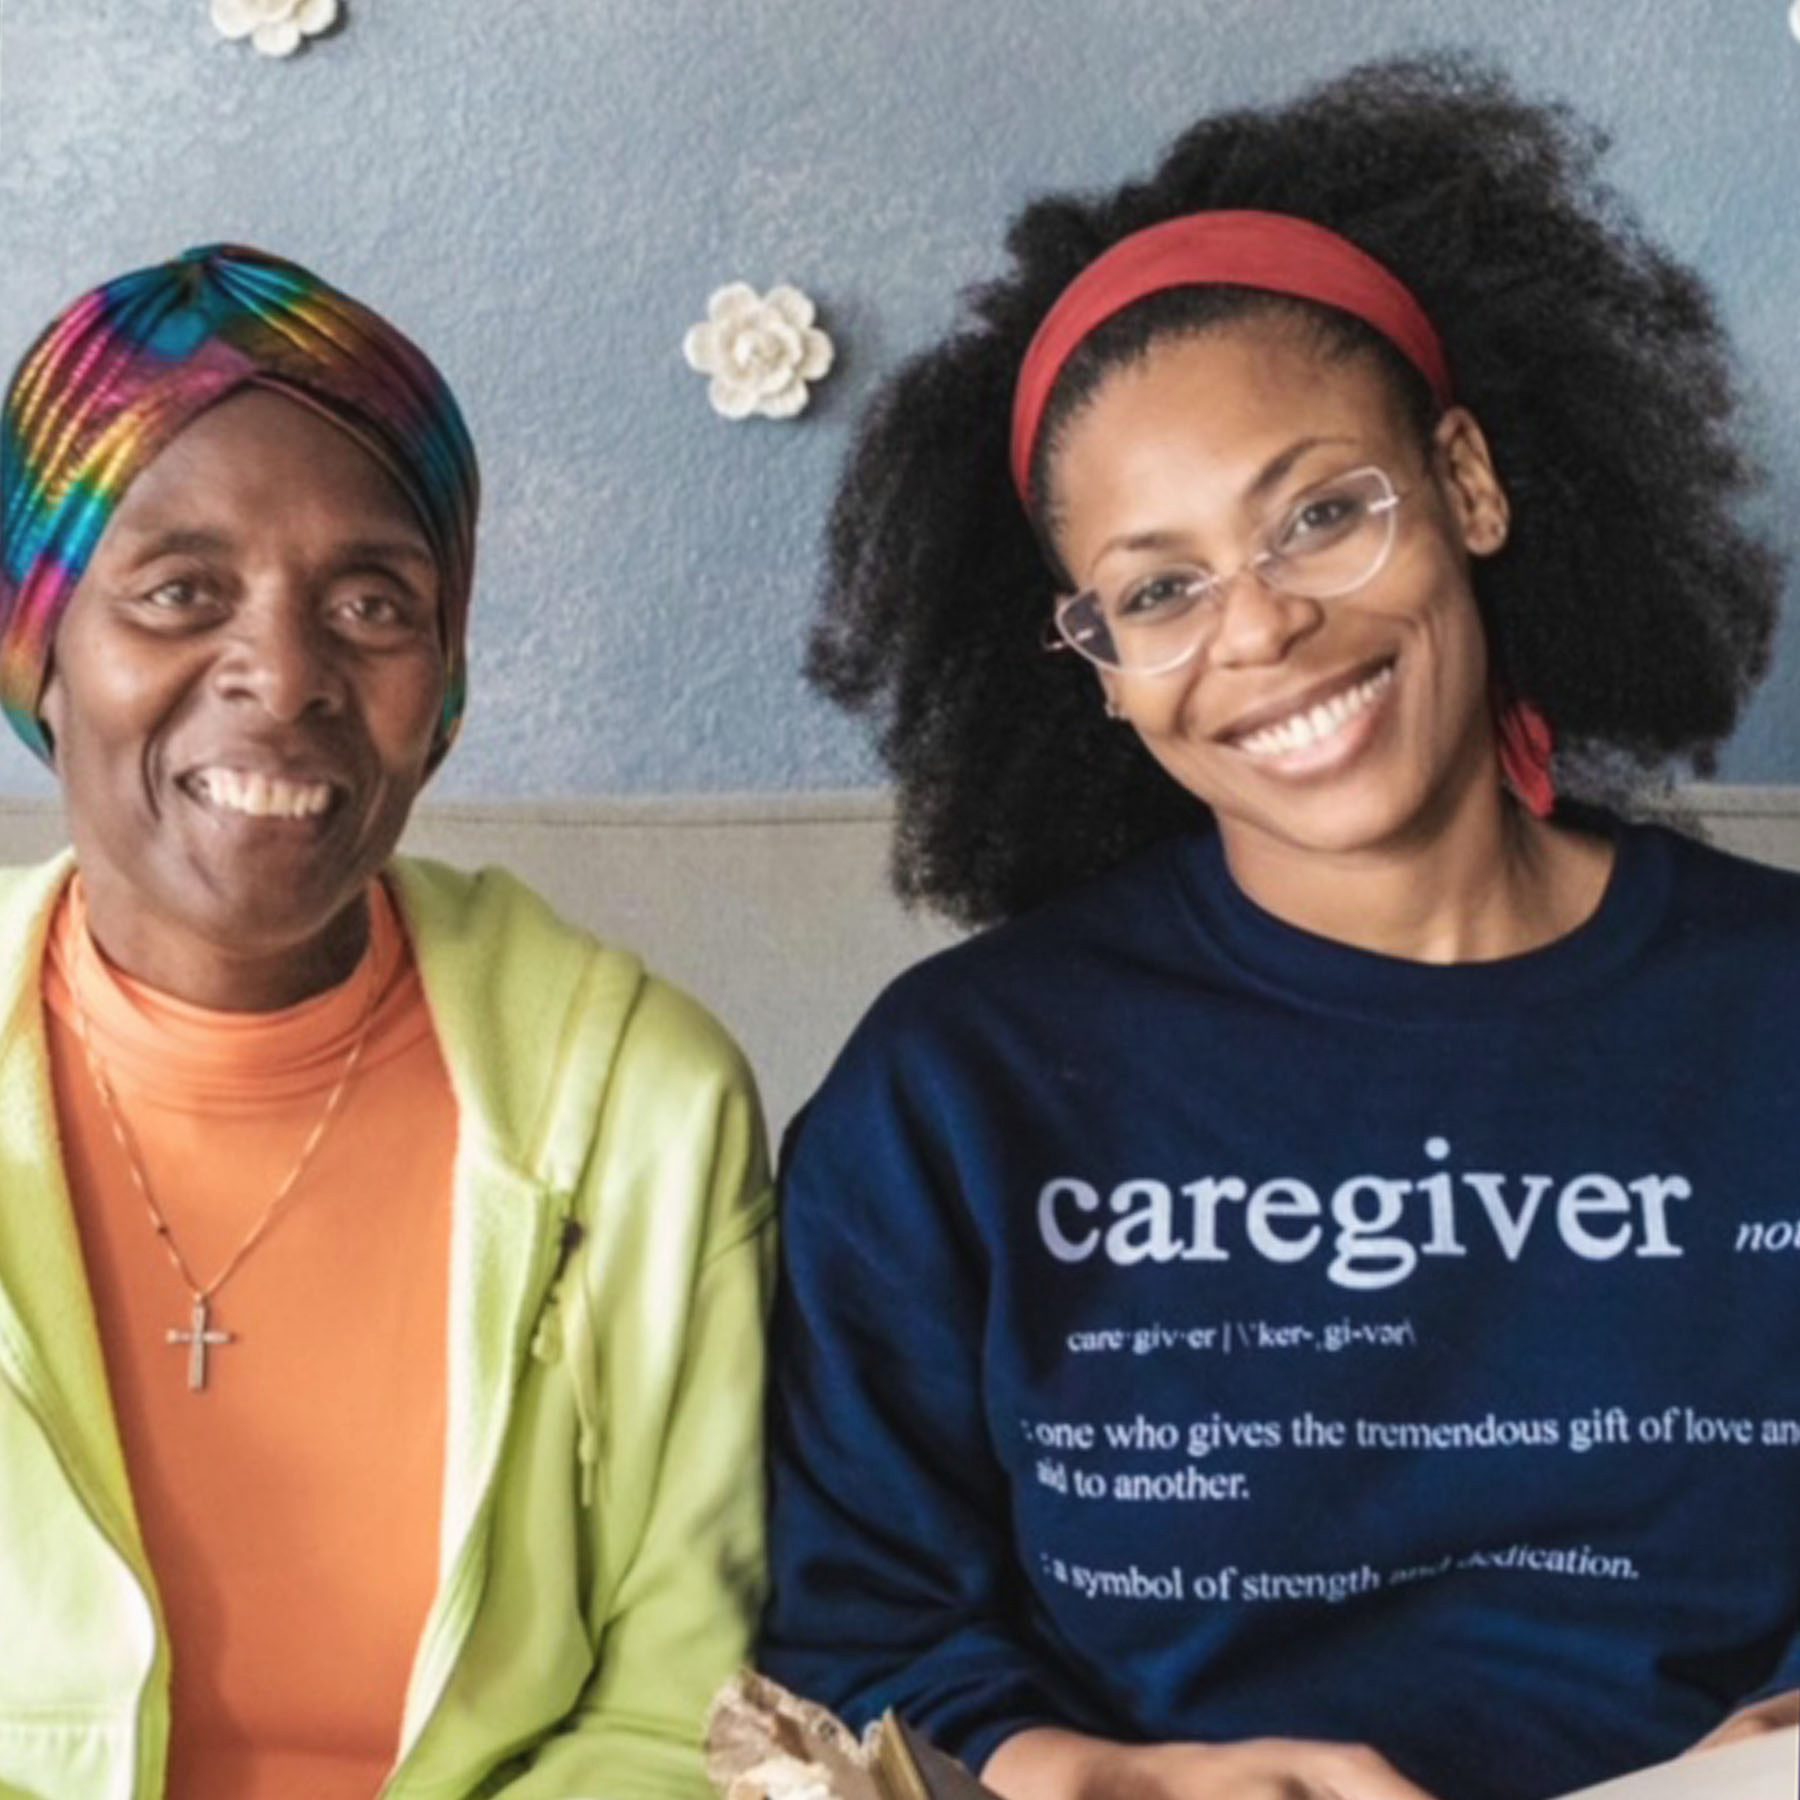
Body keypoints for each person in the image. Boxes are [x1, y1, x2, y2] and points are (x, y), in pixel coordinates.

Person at [758, 56, 1800, 1800]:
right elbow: (858, 1636)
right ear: (1091, 667)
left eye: (1323, 512)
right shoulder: (959, 1091)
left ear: (1465, 484)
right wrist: (1097, 1773)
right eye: (1158, 590)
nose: (1263, 628)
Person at [0, 244, 770, 1799]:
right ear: (39, 647)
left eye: (370, 600)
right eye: (179, 592)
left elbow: (678, 1705)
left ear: (448, 675)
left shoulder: (647, 1109)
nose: (283, 677)